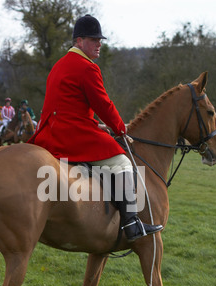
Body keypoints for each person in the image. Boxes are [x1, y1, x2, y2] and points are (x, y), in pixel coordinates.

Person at [27, 15, 162, 242]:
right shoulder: (87, 68)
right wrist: (120, 129)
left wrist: (95, 125)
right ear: (79, 41)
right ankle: (131, 223)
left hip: (50, 133)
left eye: (100, 39)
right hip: (71, 136)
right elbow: (104, 105)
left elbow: (64, 107)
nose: (99, 43)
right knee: (122, 162)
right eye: (93, 39)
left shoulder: (59, 65)